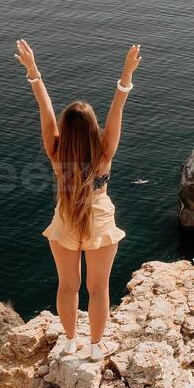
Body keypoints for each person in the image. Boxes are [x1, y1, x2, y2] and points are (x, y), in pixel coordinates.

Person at [15, 38, 140, 360]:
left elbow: (44, 110)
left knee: (67, 286)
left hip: (65, 218)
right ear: (93, 129)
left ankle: (71, 341)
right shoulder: (104, 152)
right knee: (98, 289)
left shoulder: (56, 152)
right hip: (99, 218)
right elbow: (118, 108)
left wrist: (33, 71)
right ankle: (97, 347)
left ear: (65, 131)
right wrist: (126, 74)